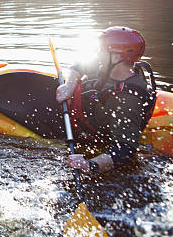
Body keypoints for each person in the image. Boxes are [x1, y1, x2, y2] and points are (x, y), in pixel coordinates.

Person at [55, 26, 157, 175]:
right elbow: (80, 65)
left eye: (101, 51)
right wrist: (69, 86)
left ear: (116, 57)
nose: (97, 55)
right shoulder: (114, 66)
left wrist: (89, 165)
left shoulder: (127, 100)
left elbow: (125, 149)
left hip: (91, 127)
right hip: (90, 106)